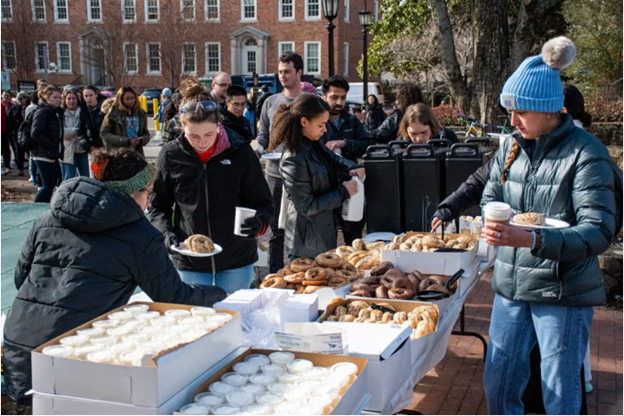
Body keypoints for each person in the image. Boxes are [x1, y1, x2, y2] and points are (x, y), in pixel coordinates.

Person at [2, 148, 226, 407]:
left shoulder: (48, 218)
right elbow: (173, 296)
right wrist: (220, 293)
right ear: (133, 192)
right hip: (76, 349)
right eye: (148, 193)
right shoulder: (140, 235)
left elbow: (22, 279)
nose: (150, 202)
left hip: (20, 340)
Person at [479, 37, 615, 415]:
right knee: (499, 379)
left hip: (563, 290)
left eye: (520, 111)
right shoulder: (510, 146)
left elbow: (598, 230)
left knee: (560, 388)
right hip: (511, 284)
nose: (512, 121)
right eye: (509, 111)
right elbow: (491, 193)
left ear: (549, 109)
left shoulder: (587, 152)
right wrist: (495, 215)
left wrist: (532, 238)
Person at [149, 79, 273, 293]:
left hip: (236, 255)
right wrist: (166, 234)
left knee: (233, 317)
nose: (202, 142)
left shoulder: (240, 151)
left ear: (218, 125)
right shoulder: (171, 154)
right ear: (182, 127)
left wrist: (259, 223)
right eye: (193, 136)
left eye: (208, 134)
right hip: (190, 257)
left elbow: (262, 201)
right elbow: (158, 206)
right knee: (196, 320)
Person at [269, 93, 364, 260]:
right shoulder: (293, 158)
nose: (325, 129)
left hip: (323, 233)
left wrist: (351, 167)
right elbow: (306, 206)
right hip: (305, 244)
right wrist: (343, 192)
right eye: (321, 125)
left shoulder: (313, 142)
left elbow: (333, 158)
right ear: (304, 122)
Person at [257, 51, 305, 273]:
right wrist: (256, 147)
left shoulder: (310, 102)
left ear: (299, 73)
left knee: (302, 226)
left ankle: (303, 273)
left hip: (302, 173)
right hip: (274, 173)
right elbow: (263, 136)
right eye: (280, 72)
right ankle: (275, 273)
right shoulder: (270, 102)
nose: (283, 76)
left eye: (287, 71)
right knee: (276, 227)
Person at [319, 75, 374, 244]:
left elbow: (367, 144)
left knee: (354, 236)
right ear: (324, 96)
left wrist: (345, 143)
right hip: (327, 186)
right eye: (334, 97)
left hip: (351, 184)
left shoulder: (351, 120)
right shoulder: (318, 121)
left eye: (343, 98)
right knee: (327, 240)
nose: (339, 102)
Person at [30, 86, 64, 203]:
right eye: (55, 97)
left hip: (51, 154)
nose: (58, 100)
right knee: (47, 186)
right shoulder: (43, 111)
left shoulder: (55, 112)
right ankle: (35, 208)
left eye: (60, 97)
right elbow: (35, 133)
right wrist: (50, 145)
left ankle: (42, 207)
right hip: (42, 154)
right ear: (46, 98)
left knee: (50, 185)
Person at [100, 86, 151, 157]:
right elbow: (104, 134)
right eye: (127, 99)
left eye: (133, 98)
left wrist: (141, 140)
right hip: (118, 154)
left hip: (136, 154)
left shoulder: (141, 114)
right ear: (120, 99)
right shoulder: (113, 114)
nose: (131, 101)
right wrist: (126, 140)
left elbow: (146, 134)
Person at [59, 89, 88, 181]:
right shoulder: (60, 114)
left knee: (85, 178)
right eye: (69, 99)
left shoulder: (83, 112)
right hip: (67, 150)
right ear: (65, 100)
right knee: (68, 178)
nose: (71, 101)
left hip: (82, 149)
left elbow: (87, 130)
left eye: (74, 98)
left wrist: (72, 132)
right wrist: (79, 130)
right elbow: (61, 132)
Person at [76, 85, 107, 154]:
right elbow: (80, 131)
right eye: (86, 96)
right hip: (93, 148)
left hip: (107, 146)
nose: (88, 98)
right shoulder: (83, 110)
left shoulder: (106, 107)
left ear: (96, 95)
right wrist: (88, 146)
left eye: (91, 95)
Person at [6, 91, 28, 176]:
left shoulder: (27, 107)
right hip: (16, 133)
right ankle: (20, 168)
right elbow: (9, 120)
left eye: (22, 98)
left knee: (26, 150)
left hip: (26, 133)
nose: (21, 100)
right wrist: (11, 130)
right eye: (19, 99)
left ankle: (26, 167)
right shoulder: (14, 108)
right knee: (18, 150)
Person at [1, 90, 15, 175]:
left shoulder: (12, 106)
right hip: (1, 130)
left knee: (10, 148)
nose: (5, 97)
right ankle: (6, 166)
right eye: (4, 96)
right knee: (3, 148)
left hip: (10, 130)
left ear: (10, 97)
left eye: (7, 96)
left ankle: (9, 165)